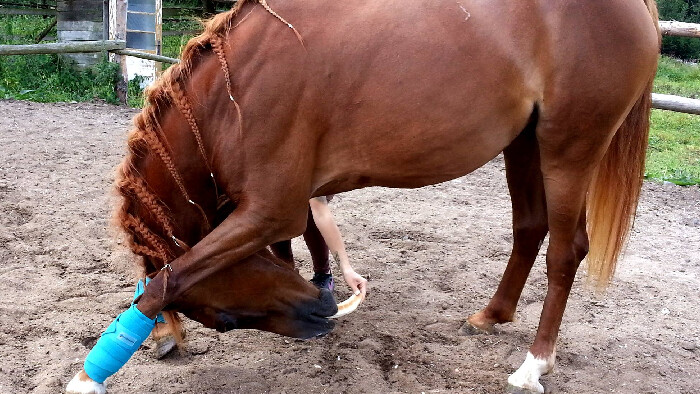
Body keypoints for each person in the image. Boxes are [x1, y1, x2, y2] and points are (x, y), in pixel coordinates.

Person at [271, 195, 368, 298]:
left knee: (309, 212)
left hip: (310, 194)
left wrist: (346, 269)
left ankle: (323, 273)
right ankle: (287, 270)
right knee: (272, 209)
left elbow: (321, 213)